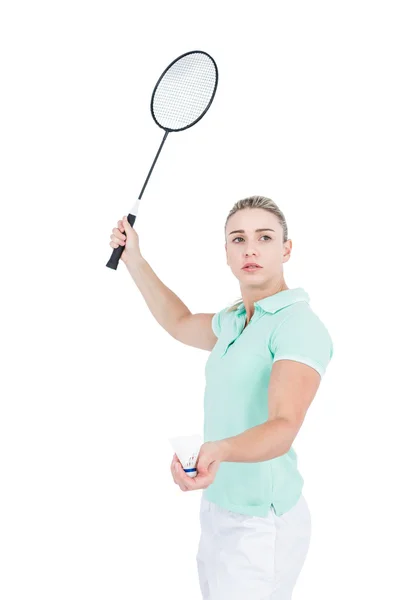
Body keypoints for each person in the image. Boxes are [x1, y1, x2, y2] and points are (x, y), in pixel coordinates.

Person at [109, 195, 333, 600]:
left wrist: (220, 449)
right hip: (217, 507)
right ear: (226, 254)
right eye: (238, 239)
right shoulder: (234, 320)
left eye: (265, 237)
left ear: (286, 249)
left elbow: (283, 427)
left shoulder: (298, 325)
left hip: (262, 524)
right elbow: (178, 322)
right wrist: (135, 260)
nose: (250, 249)